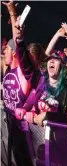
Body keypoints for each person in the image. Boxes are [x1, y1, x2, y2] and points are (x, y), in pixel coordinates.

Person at [2, 12, 34, 165]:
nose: (3, 52)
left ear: (14, 52)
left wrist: (19, 37)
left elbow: (20, 50)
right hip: (10, 125)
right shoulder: (7, 72)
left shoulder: (21, 73)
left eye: (6, 49)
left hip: (25, 131)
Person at [15, 51, 67, 126]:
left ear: (62, 66)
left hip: (57, 134)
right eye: (49, 59)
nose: (51, 61)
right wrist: (25, 110)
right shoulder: (41, 83)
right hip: (40, 133)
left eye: (56, 59)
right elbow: (32, 100)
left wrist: (47, 115)